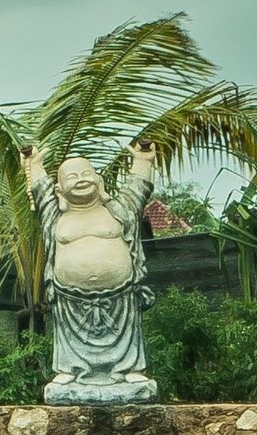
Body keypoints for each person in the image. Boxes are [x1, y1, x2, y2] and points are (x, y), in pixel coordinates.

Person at [26, 144, 160, 404]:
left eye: (86, 174)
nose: (81, 180)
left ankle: (128, 368)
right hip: (70, 300)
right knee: (68, 341)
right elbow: (41, 193)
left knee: (128, 333)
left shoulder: (120, 210)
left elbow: (137, 190)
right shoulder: (55, 216)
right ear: (59, 189)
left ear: (99, 180)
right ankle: (69, 368)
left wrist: (143, 161)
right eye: (72, 177)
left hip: (121, 296)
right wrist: (34, 164)